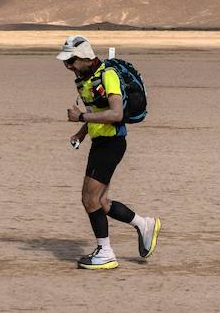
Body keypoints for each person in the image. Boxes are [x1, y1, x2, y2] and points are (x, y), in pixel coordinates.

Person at [57, 34, 160, 270]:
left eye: (71, 61)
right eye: (65, 62)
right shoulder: (87, 79)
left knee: (89, 199)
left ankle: (105, 253)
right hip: (101, 142)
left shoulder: (108, 75)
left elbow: (116, 114)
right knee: (101, 202)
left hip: (111, 143)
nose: (67, 66)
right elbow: (98, 110)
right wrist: (82, 133)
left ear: (83, 57)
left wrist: (80, 116)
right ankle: (144, 225)